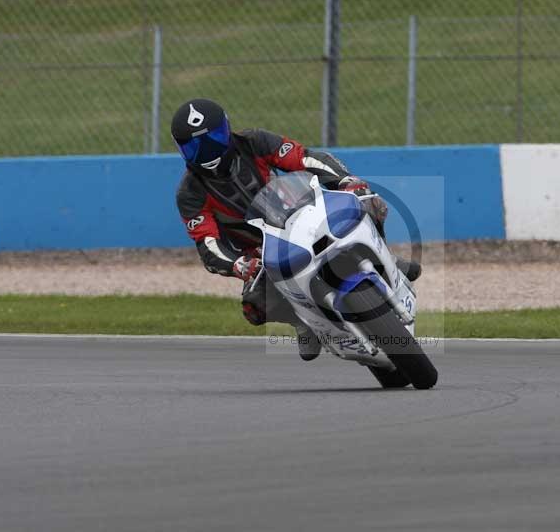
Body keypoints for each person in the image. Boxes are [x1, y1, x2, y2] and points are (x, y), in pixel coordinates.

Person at [171, 98, 419, 361]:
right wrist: (239, 265)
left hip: (303, 213)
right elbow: (208, 243)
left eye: (214, 139)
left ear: (228, 128)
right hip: (263, 249)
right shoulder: (190, 193)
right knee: (254, 306)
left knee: (369, 203)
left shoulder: (254, 141)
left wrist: (344, 181)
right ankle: (304, 322)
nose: (208, 151)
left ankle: (385, 257)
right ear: (181, 150)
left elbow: (304, 158)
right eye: (195, 147)